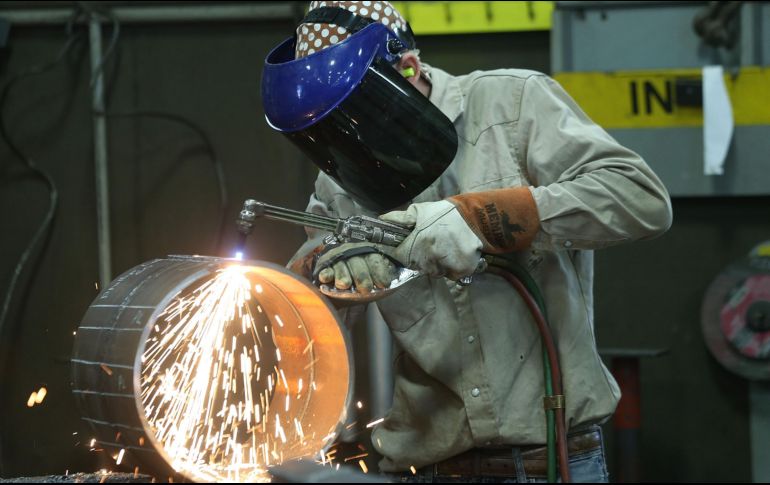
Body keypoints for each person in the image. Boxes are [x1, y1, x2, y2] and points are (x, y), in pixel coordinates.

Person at [261, 1, 673, 482]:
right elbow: (313, 327)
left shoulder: (512, 105)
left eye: (361, 115)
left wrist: (480, 218)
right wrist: (321, 279)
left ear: (408, 69)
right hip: (427, 465)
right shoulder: (340, 184)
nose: (354, 140)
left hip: (553, 459)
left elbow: (641, 198)